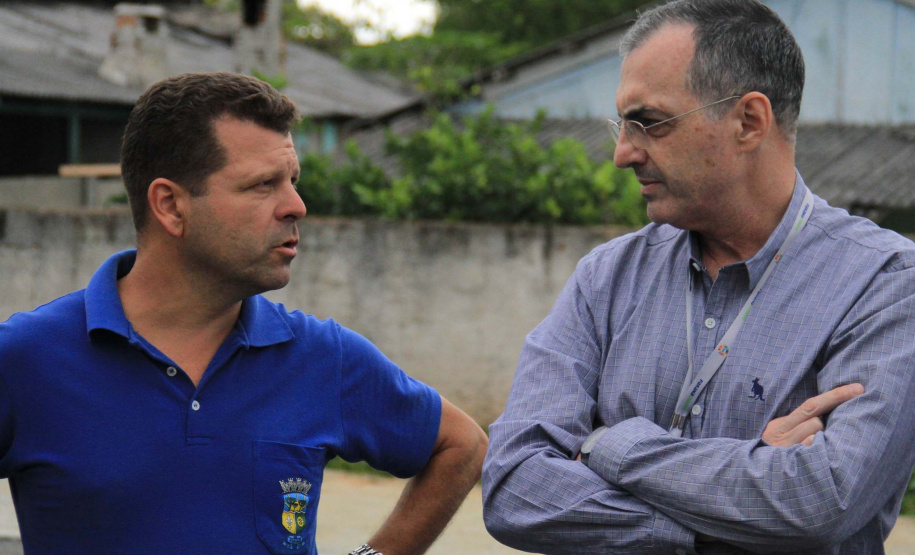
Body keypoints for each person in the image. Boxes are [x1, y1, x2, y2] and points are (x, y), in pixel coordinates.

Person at [482, 1, 915, 553]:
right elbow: (512, 487)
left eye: (649, 122)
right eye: (622, 123)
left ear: (748, 121)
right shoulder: (607, 278)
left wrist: (611, 447)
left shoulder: (884, 283)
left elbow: (821, 500)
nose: (621, 153)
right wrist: (725, 525)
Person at [0, 72, 488, 554]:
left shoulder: (322, 357)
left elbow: (461, 445)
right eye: (262, 185)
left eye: (292, 181)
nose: (295, 205)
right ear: (170, 205)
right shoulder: (26, 358)